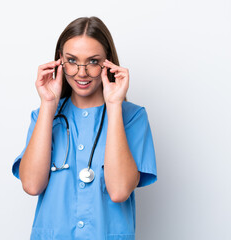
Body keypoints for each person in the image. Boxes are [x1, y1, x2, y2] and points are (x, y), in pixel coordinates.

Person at [12, 16, 157, 240]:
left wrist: (114, 104)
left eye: (92, 61)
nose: (82, 72)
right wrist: (48, 104)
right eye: (72, 60)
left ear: (107, 63)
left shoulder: (132, 118)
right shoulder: (44, 117)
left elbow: (119, 191)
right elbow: (31, 185)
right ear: (60, 61)